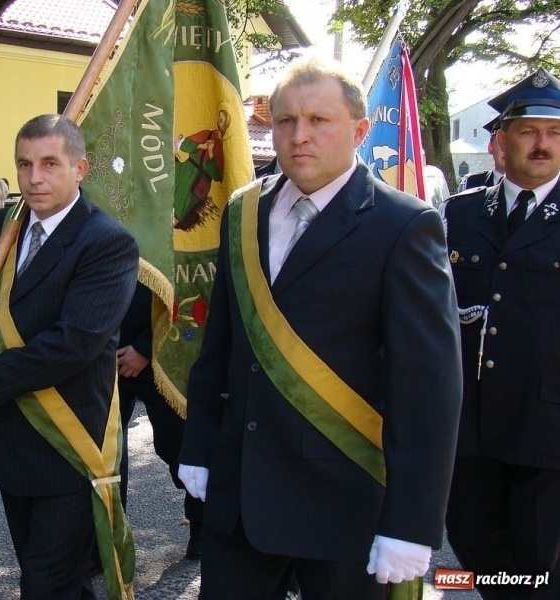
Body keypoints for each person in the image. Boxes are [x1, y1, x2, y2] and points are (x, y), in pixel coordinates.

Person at [177, 57, 462, 599]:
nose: (298, 136)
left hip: (345, 502)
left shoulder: (404, 225)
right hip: (242, 496)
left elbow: (428, 389)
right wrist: (199, 443)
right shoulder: (244, 212)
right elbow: (221, 346)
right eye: (285, 121)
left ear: (358, 131)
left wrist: (411, 524)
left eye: (318, 121)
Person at [0, 114, 139, 598]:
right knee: (53, 580)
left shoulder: (106, 241)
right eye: (24, 164)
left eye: (50, 164)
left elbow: (72, 345)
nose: (34, 177)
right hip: (12, 437)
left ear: (80, 169)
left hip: (68, 442)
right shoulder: (1, 225)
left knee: (47, 585)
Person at [442, 68, 560, 600]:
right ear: (499, 141)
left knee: (541, 566)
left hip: (547, 431)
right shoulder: (458, 215)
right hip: (470, 426)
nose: (543, 144)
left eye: (555, 133)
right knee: (475, 546)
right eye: (529, 132)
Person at [116, 282, 204, 558]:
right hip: (105, 348)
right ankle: (107, 544)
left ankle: (203, 528)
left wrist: (145, 347)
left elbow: (188, 282)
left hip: (165, 353)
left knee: (176, 445)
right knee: (104, 454)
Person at [457, 116, 506, 192]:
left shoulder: (530, 190)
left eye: (515, 144)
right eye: (503, 143)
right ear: (490, 147)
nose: (509, 150)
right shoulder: (470, 184)